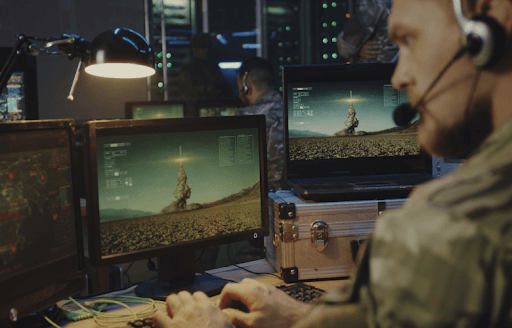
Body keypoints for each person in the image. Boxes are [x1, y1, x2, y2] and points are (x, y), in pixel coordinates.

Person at [153, 0, 512, 327]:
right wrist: (302, 317)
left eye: (409, 41)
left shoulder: (451, 231)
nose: (399, 77)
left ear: (484, 24)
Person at [236, 57, 285, 192]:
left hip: (266, 199)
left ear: (246, 87)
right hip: (294, 197)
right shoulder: (294, 108)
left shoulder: (245, 118)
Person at [178, 33, 232, 117]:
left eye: (208, 47)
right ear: (193, 48)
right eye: (202, 47)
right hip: (197, 116)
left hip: (215, 113)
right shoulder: (188, 70)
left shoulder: (213, 68)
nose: (206, 50)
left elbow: (227, 91)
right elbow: (189, 98)